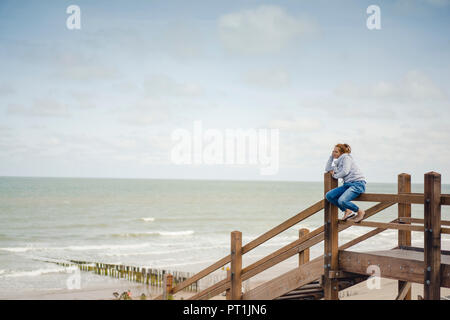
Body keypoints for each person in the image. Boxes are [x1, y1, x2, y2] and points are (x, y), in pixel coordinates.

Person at [324, 143, 366, 222]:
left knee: (342, 201)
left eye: (336, 152)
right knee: (329, 195)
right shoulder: (338, 163)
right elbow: (327, 168)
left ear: (341, 153)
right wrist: (331, 157)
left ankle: (360, 211)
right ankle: (347, 210)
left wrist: (335, 176)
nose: (334, 153)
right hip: (347, 185)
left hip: (357, 184)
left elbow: (345, 171)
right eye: (333, 151)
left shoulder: (346, 158)